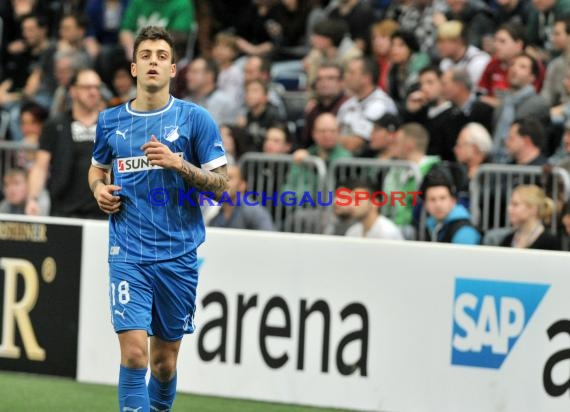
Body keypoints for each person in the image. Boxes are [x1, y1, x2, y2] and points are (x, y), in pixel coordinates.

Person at [88, 26, 228, 412]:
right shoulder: (110, 121)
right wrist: (99, 190)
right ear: (134, 68)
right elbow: (97, 169)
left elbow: (221, 186)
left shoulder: (194, 120)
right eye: (146, 55)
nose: (154, 61)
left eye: (162, 56)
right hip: (127, 253)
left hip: (177, 255)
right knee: (134, 355)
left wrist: (178, 163)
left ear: (173, 69)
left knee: (163, 363)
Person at [26, 68, 106, 219]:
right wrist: (32, 199)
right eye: (87, 87)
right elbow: (40, 166)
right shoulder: (55, 125)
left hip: (103, 212)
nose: (93, 92)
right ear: (73, 91)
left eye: (97, 87)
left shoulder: (111, 125)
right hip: (63, 211)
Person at [421, 167, 481, 245]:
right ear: (426, 204)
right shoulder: (431, 225)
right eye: (432, 199)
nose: (438, 204)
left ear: (453, 201)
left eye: (442, 198)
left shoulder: (464, 232)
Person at [500, 184, 561, 250]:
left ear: (533, 208)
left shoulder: (550, 242)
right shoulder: (508, 239)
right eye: (510, 204)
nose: (509, 209)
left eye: (515, 204)